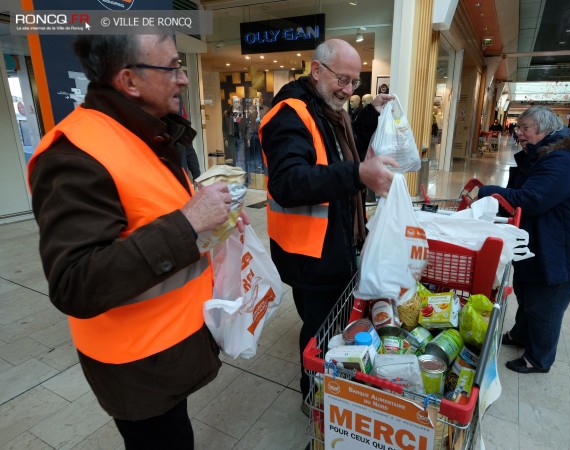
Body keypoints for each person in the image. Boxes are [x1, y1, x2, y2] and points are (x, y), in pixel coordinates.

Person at [28, 34, 249, 448]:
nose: (183, 79)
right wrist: (188, 223)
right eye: (173, 67)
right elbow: (74, 282)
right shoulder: (73, 156)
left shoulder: (148, 136)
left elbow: (154, 214)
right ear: (129, 81)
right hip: (134, 365)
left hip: (169, 349)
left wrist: (214, 224)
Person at [258, 39, 397, 413]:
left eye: (355, 82)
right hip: (310, 252)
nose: (348, 89)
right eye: (343, 79)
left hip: (332, 242)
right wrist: (357, 174)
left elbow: (338, 148)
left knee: (329, 321)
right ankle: (312, 397)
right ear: (317, 70)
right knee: (319, 331)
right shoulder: (289, 114)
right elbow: (288, 182)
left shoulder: (324, 108)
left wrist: (370, 113)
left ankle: (326, 385)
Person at [478, 106, 570, 374]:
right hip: (546, 239)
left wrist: (488, 192)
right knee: (527, 289)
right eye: (519, 128)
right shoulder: (542, 154)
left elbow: (533, 200)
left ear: (544, 129)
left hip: (567, 247)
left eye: (525, 128)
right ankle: (521, 334)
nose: (519, 133)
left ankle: (539, 358)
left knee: (546, 304)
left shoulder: (561, 159)